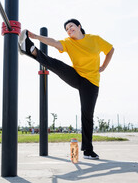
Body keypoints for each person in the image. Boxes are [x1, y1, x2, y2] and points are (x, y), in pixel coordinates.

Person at [19, 19, 114, 160]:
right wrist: (36, 37)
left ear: (79, 26)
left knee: (87, 115)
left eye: (71, 26)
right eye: (67, 29)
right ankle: (31, 49)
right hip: (76, 76)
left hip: (91, 83)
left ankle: (88, 150)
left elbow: (110, 50)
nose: (69, 30)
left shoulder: (95, 39)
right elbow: (54, 42)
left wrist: (104, 67)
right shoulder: (69, 43)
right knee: (57, 64)